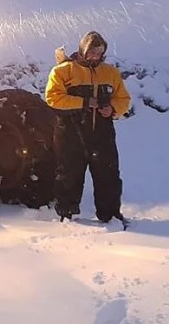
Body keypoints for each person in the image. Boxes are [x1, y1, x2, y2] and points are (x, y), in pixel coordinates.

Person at [44, 31, 131, 225]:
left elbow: (123, 98)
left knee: (108, 175)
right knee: (69, 174)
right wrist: (84, 102)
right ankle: (67, 214)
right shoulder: (63, 71)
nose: (95, 56)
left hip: (102, 133)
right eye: (92, 51)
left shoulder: (110, 73)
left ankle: (110, 215)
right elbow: (52, 98)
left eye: (99, 52)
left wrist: (113, 108)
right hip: (70, 133)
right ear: (83, 49)